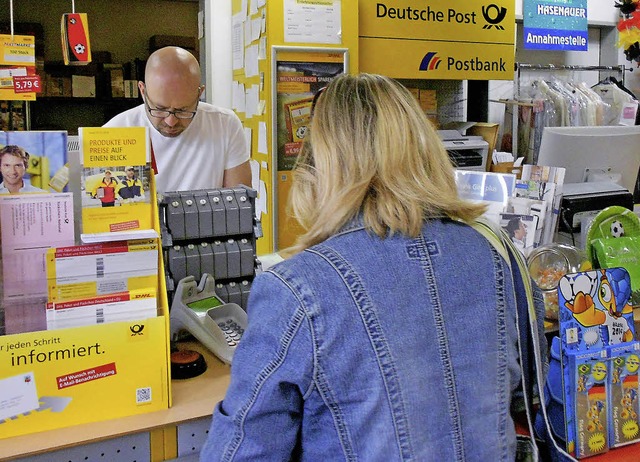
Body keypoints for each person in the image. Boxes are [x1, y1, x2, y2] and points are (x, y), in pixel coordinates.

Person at [200, 74, 534, 460]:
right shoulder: (496, 255)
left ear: (321, 163)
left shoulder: (297, 289)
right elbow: (528, 392)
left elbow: (241, 451)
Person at [103, 46, 251, 193]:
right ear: (142, 91)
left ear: (199, 94)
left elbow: (239, 207)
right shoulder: (113, 133)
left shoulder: (225, 125)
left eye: (182, 110)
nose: (171, 122)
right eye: (160, 109)